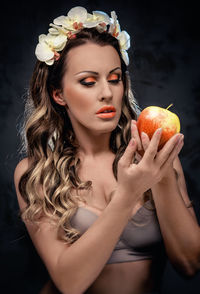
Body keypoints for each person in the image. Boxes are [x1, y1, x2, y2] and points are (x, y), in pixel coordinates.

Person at [14, 6, 200, 294]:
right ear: (58, 94)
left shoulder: (155, 155)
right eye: (88, 82)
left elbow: (190, 265)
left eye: (115, 78)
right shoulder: (37, 172)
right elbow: (69, 283)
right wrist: (126, 195)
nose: (107, 92)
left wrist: (161, 178)